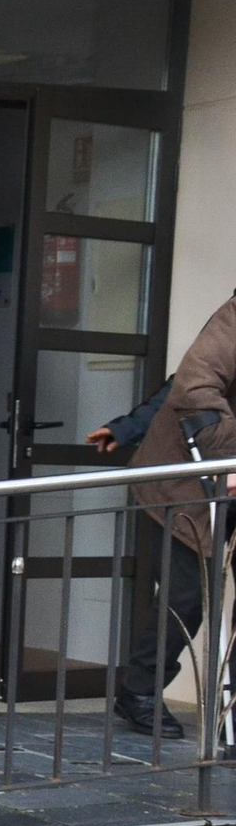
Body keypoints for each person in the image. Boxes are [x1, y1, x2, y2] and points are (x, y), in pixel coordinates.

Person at [114, 293, 236, 738]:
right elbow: (190, 385)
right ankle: (140, 690)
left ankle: (232, 710)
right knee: (189, 593)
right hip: (189, 479)